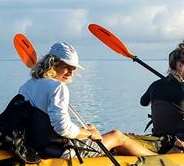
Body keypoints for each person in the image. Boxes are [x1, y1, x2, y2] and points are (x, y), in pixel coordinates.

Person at [19, 42, 156, 158]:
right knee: (117, 136)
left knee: (99, 135)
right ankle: (159, 160)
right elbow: (63, 129)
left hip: (36, 145)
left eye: (73, 69)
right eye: (67, 67)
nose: (71, 73)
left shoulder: (27, 85)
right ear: (53, 64)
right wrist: (89, 133)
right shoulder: (58, 88)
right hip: (61, 151)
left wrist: (83, 132)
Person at [140, 41, 184, 142]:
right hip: (179, 141)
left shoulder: (155, 85)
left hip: (159, 138)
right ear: (180, 65)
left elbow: (143, 102)